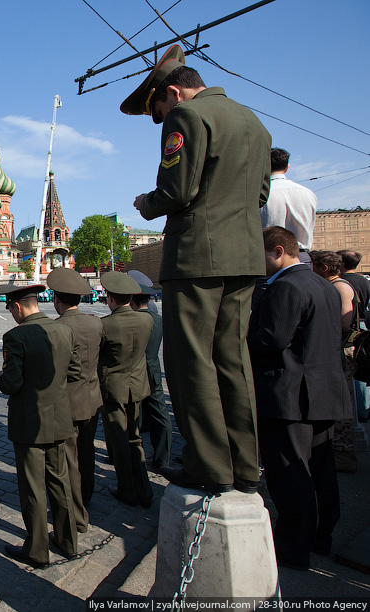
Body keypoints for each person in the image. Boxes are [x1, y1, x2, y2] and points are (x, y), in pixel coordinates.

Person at [124, 44, 271, 494]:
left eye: (161, 108)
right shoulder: (254, 122)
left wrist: (145, 204)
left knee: (191, 364)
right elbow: (260, 196)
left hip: (196, 260)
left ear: (174, 93)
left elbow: (177, 189)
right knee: (233, 361)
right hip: (244, 258)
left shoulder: (186, 118)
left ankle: (208, 466)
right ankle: (245, 467)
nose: (162, 117)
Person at [249, 227, 350, 570]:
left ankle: (293, 547)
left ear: (278, 251)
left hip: (290, 395)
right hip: (322, 391)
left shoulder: (286, 286)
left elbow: (270, 340)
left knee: (290, 474)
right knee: (321, 470)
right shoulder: (324, 284)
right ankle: (321, 536)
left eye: (258, 254)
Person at [0, 282, 81, 568]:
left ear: (17, 307)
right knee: (60, 481)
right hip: (59, 417)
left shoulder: (16, 337)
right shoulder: (65, 330)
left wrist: (1, 375)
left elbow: (11, 384)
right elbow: (75, 371)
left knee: (33, 487)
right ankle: (68, 542)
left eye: (10, 309)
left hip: (29, 422)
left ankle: (37, 549)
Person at [46, 268, 104, 533]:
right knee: (87, 451)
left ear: (57, 299)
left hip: (66, 403)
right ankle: (87, 497)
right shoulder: (96, 323)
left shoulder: (56, 328)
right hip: (92, 399)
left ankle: (75, 512)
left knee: (67, 460)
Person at [96, 272, 153, 507]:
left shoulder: (106, 325)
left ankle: (127, 489)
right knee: (135, 438)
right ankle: (145, 489)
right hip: (137, 386)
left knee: (118, 441)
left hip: (113, 388)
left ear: (110, 298)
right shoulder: (147, 320)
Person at [310, 250, 359, 474]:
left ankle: (343, 451)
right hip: (336, 349)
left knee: (342, 401)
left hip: (341, 350)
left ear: (325, 268)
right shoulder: (335, 285)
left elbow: (344, 322)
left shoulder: (339, 287)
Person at [130, 285, 172, 474]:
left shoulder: (133, 321)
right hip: (154, 370)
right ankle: (162, 458)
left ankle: (131, 455)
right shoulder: (159, 319)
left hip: (135, 373)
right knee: (160, 415)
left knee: (132, 415)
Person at [261, 148, 317, 260]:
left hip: (269, 257)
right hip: (301, 257)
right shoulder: (309, 193)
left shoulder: (260, 193)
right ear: (287, 167)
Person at [338, 250, 370, 422]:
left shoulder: (343, 283)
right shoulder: (364, 281)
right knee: (364, 369)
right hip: (363, 325)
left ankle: (360, 411)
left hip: (351, 328)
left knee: (354, 371)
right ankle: (365, 409)